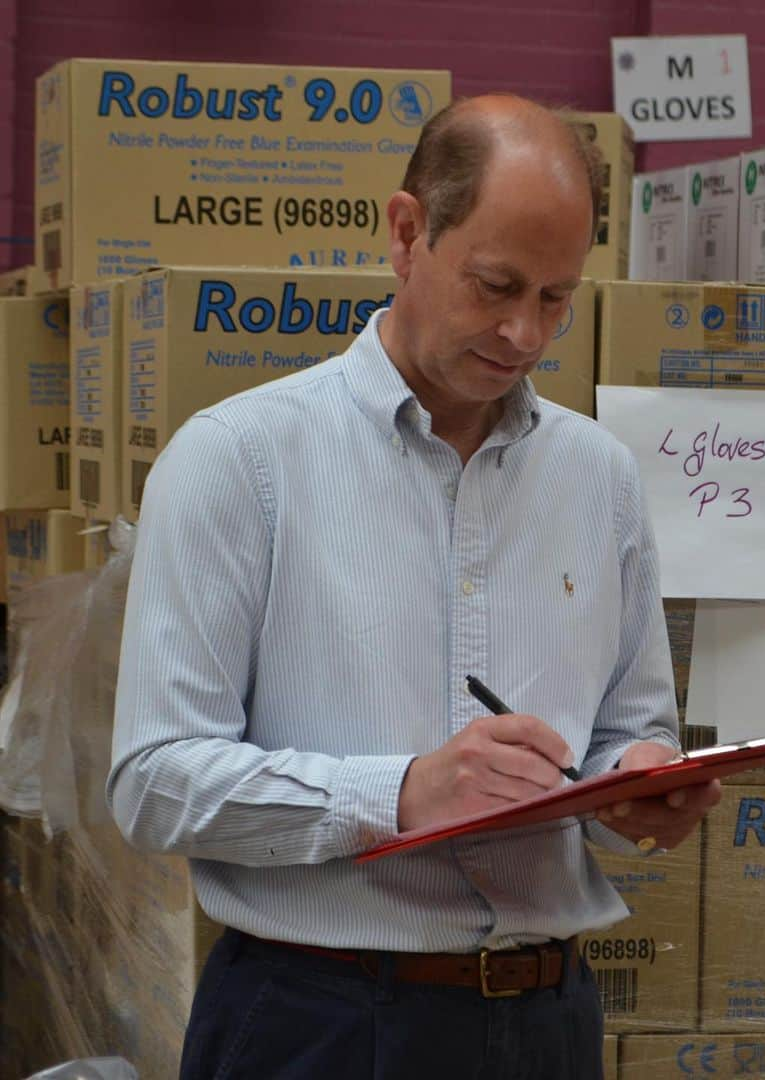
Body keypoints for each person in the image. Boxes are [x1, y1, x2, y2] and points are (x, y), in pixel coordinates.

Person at [107, 94, 722, 1079]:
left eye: (557, 298)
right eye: (495, 285)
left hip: (549, 1020)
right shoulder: (238, 462)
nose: (524, 332)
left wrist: (643, 777)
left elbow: (631, 724)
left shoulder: (599, 478)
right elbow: (154, 784)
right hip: (320, 1021)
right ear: (405, 233)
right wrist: (399, 794)